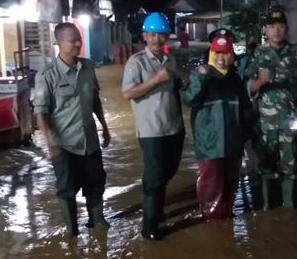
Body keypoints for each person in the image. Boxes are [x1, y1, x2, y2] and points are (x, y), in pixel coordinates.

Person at [33, 22, 111, 236]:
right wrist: (51, 144)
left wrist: (104, 126)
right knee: (67, 189)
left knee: (96, 182)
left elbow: (95, 99)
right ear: (59, 43)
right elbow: (41, 113)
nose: (78, 43)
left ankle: (97, 220)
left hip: (90, 140)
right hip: (64, 144)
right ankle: (72, 229)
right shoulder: (47, 75)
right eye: (72, 40)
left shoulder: (88, 67)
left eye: (79, 38)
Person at [122, 12, 185, 241]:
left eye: (161, 34)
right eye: (152, 34)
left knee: (169, 171)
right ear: (145, 36)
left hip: (174, 126)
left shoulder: (171, 60)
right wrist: (155, 80)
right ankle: (149, 227)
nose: (157, 39)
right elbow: (128, 93)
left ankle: (158, 211)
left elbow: (178, 87)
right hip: (151, 130)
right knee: (154, 176)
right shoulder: (136, 62)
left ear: (166, 36)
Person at [182, 33, 252, 218]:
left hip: (233, 145)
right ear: (211, 54)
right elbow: (189, 99)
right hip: (209, 146)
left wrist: (244, 138)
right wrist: (201, 79)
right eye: (217, 53)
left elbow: (246, 111)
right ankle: (212, 228)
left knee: (230, 188)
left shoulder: (236, 81)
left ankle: (225, 230)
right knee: (211, 190)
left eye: (226, 53)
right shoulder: (200, 75)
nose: (221, 58)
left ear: (232, 55)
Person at [247, 8, 297, 209]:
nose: (277, 30)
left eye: (281, 26)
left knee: (291, 160)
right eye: (272, 27)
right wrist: (260, 82)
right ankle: (267, 206)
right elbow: (247, 86)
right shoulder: (257, 53)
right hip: (264, 120)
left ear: (287, 29)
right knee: (265, 161)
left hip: (291, 117)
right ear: (266, 29)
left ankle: (289, 205)